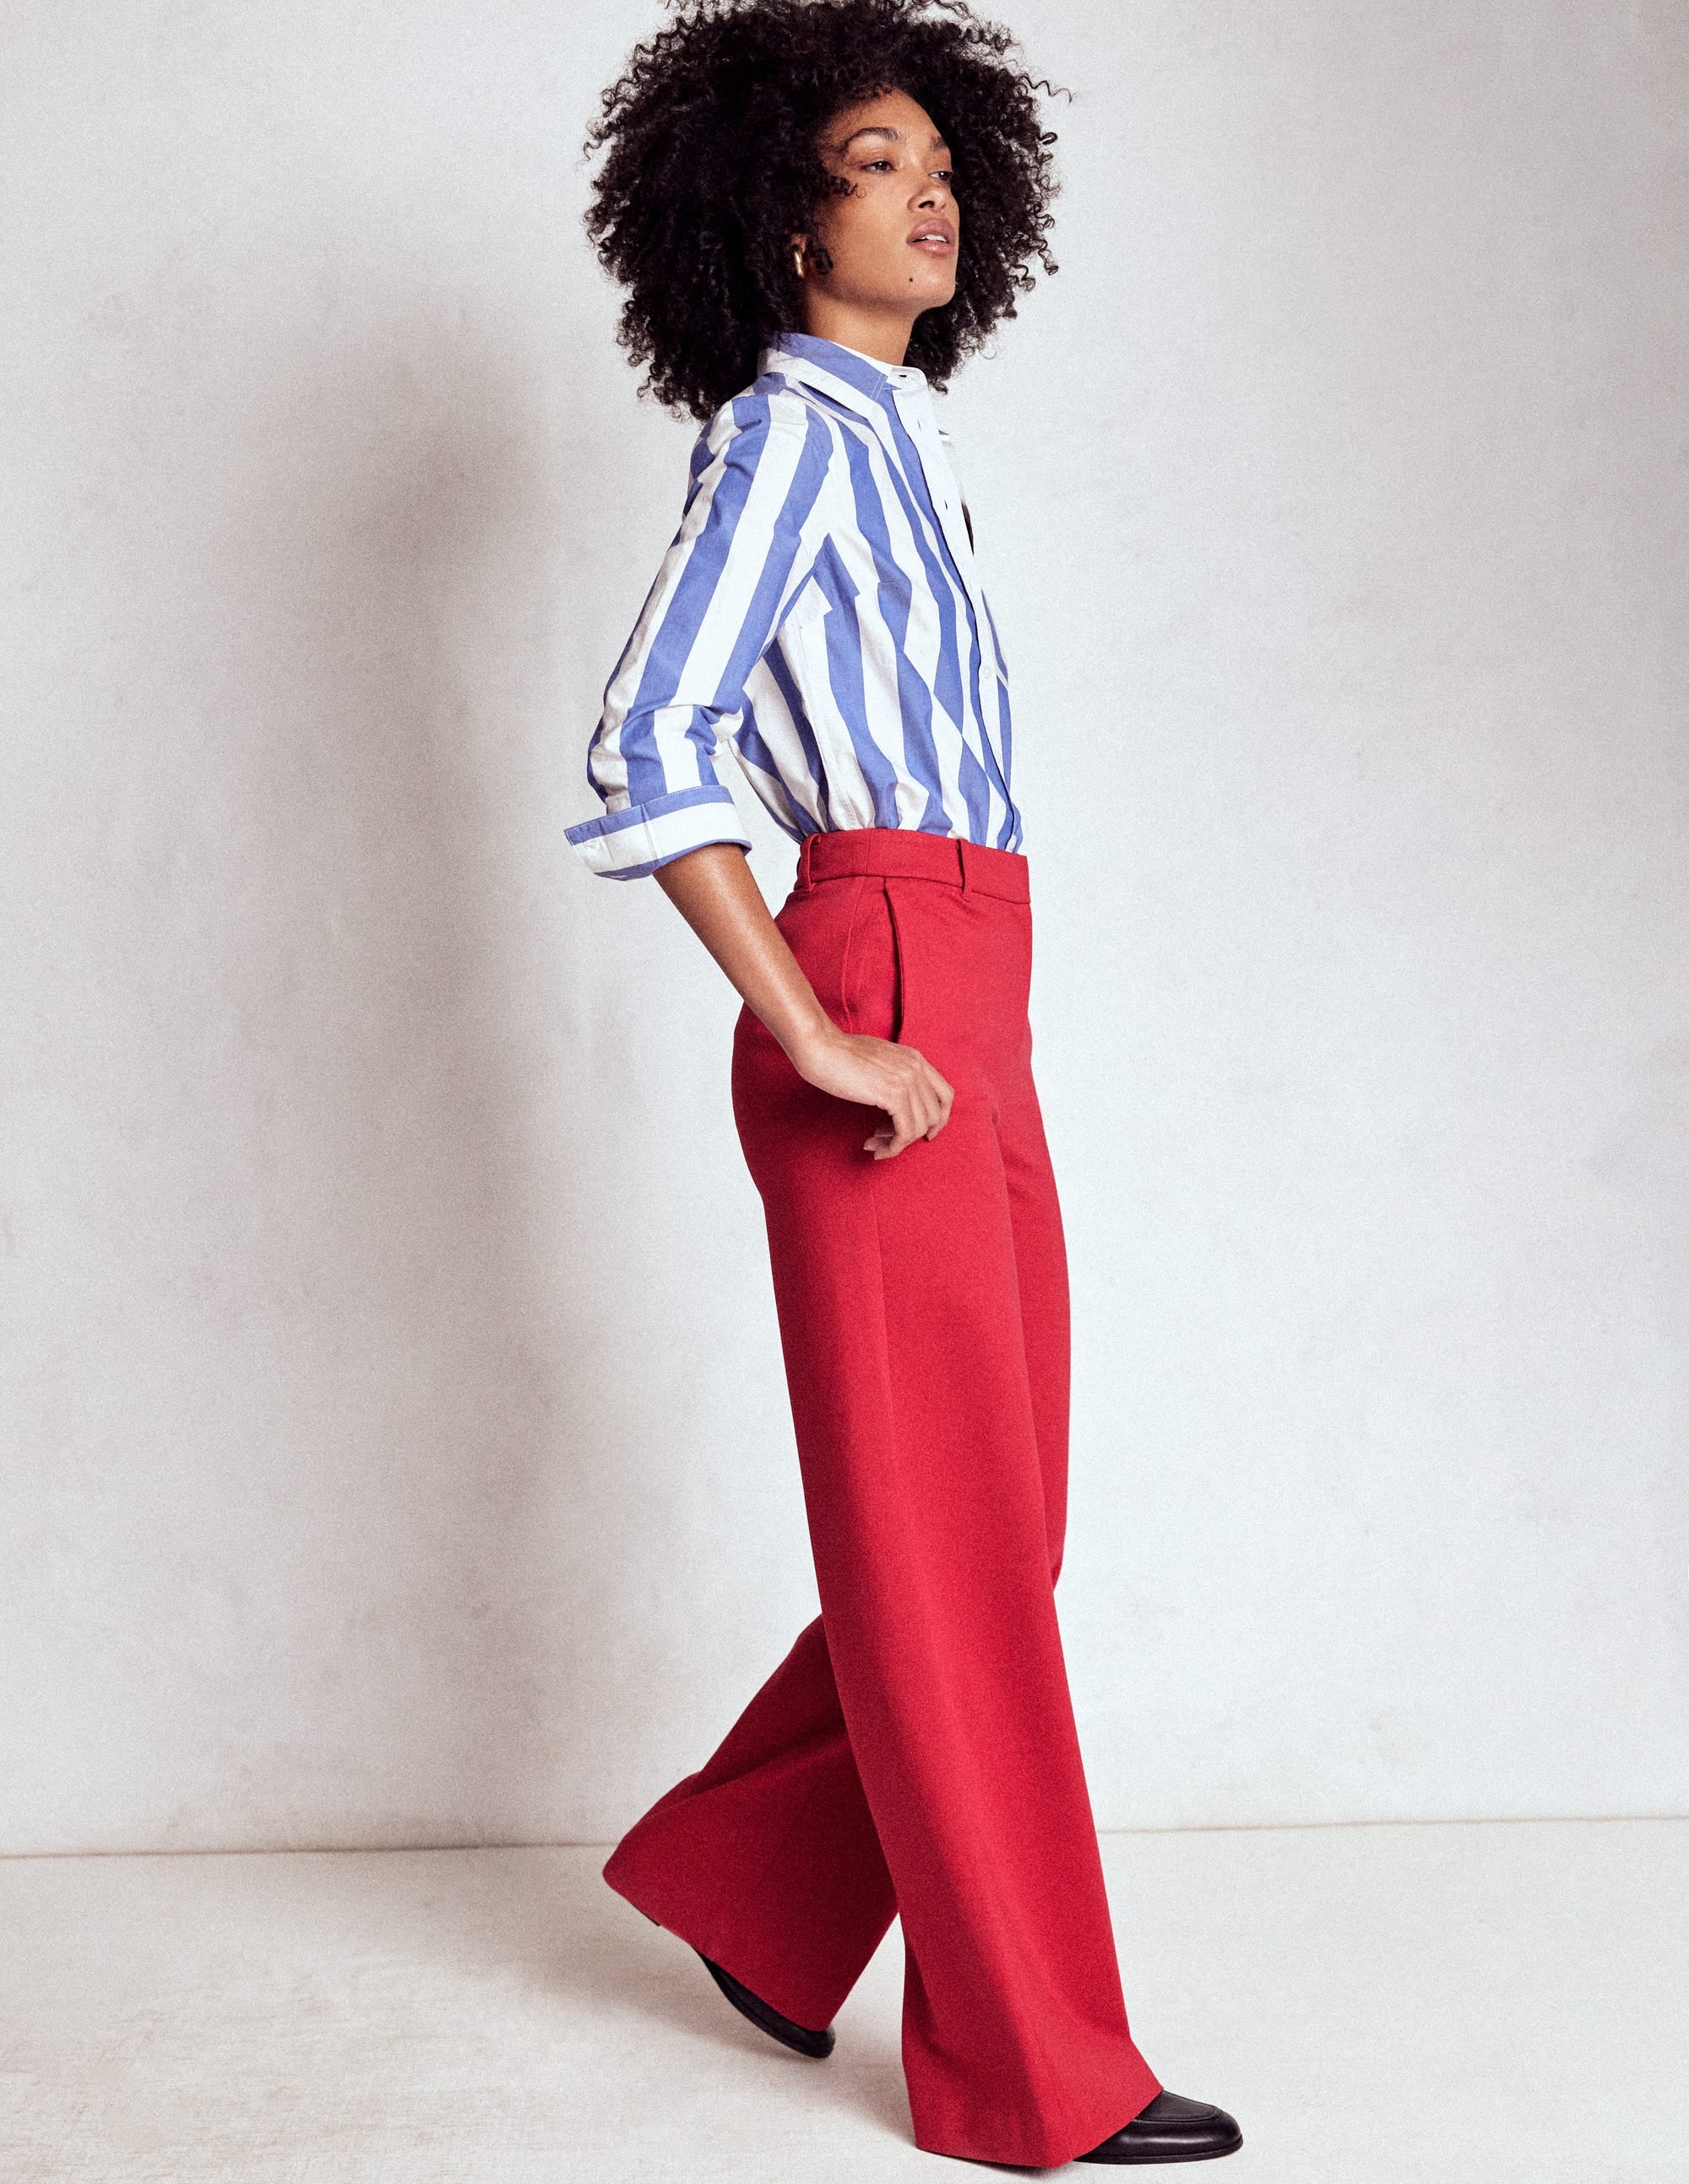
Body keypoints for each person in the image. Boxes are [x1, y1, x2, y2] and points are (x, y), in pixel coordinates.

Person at [565, 0, 1241, 2166]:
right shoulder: (785, 436)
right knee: (954, 1551)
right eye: (877, 164)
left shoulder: (894, 439)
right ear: (783, 218)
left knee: (994, 1526)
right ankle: (1033, 2073)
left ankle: (747, 1889)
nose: (929, 193)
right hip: (876, 970)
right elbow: (648, 740)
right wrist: (810, 1023)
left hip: (976, 978)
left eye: (946, 164)